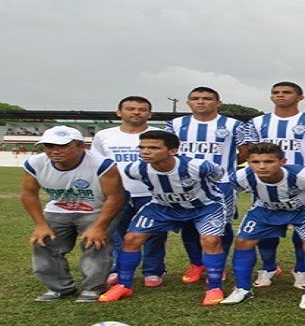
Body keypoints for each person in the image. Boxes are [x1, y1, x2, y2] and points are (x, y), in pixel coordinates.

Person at [99, 130, 230, 306]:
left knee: (210, 240)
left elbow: (218, 175)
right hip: (163, 207)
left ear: (173, 151)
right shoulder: (135, 169)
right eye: (142, 147)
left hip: (204, 207)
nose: (145, 152)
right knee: (131, 239)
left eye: (153, 148)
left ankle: (214, 287)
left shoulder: (198, 166)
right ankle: (124, 284)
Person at [243, 82, 305, 290]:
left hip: (303, 185)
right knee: (266, 230)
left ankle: (301, 269)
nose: (280, 96)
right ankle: (268, 267)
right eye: (276, 93)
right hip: (266, 184)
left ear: (300, 97)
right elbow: (250, 151)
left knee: (304, 232)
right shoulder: (256, 123)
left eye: (286, 92)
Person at [21, 126, 124, 302]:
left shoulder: (102, 165)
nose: (55, 151)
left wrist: (99, 227)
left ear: (81, 146)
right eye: (49, 146)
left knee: (95, 243)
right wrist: (40, 225)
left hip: (96, 209)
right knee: (43, 242)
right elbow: (29, 194)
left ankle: (93, 288)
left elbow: (115, 197)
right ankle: (60, 288)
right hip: (58, 209)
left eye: (62, 146)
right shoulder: (34, 164)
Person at [223, 142, 305, 305]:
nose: (261, 166)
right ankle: (242, 289)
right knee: (243, 242)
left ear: (282, 161)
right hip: (266, 209)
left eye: (268, 161)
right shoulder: (240, 177)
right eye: (255, 162)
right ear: (248, 162)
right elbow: (236, 189)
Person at [164, 87, 248, 285]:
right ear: (188, 102)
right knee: (189, 224)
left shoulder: (234, 125)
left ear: (218, 102)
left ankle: (218, 266)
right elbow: (167, 151)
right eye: (195, 98)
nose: (201, 102)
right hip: (185, 184)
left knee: (222, 225)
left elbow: (245, 151)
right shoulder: (175, 125)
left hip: (221, 184)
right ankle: (196, 264)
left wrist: (225, 167)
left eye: (207, 98)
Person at [91, 96, 168, 288]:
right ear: (119, 112)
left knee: (155, 233)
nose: (136, 112)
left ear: (150, 114)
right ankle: (119, 269)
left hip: (152, 193)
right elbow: (97, 164)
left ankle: (153, 271)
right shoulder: (104, 136)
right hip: (116, 193)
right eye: (130, 108)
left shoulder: (160, 134)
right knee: (119, 233)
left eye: (142, 109)